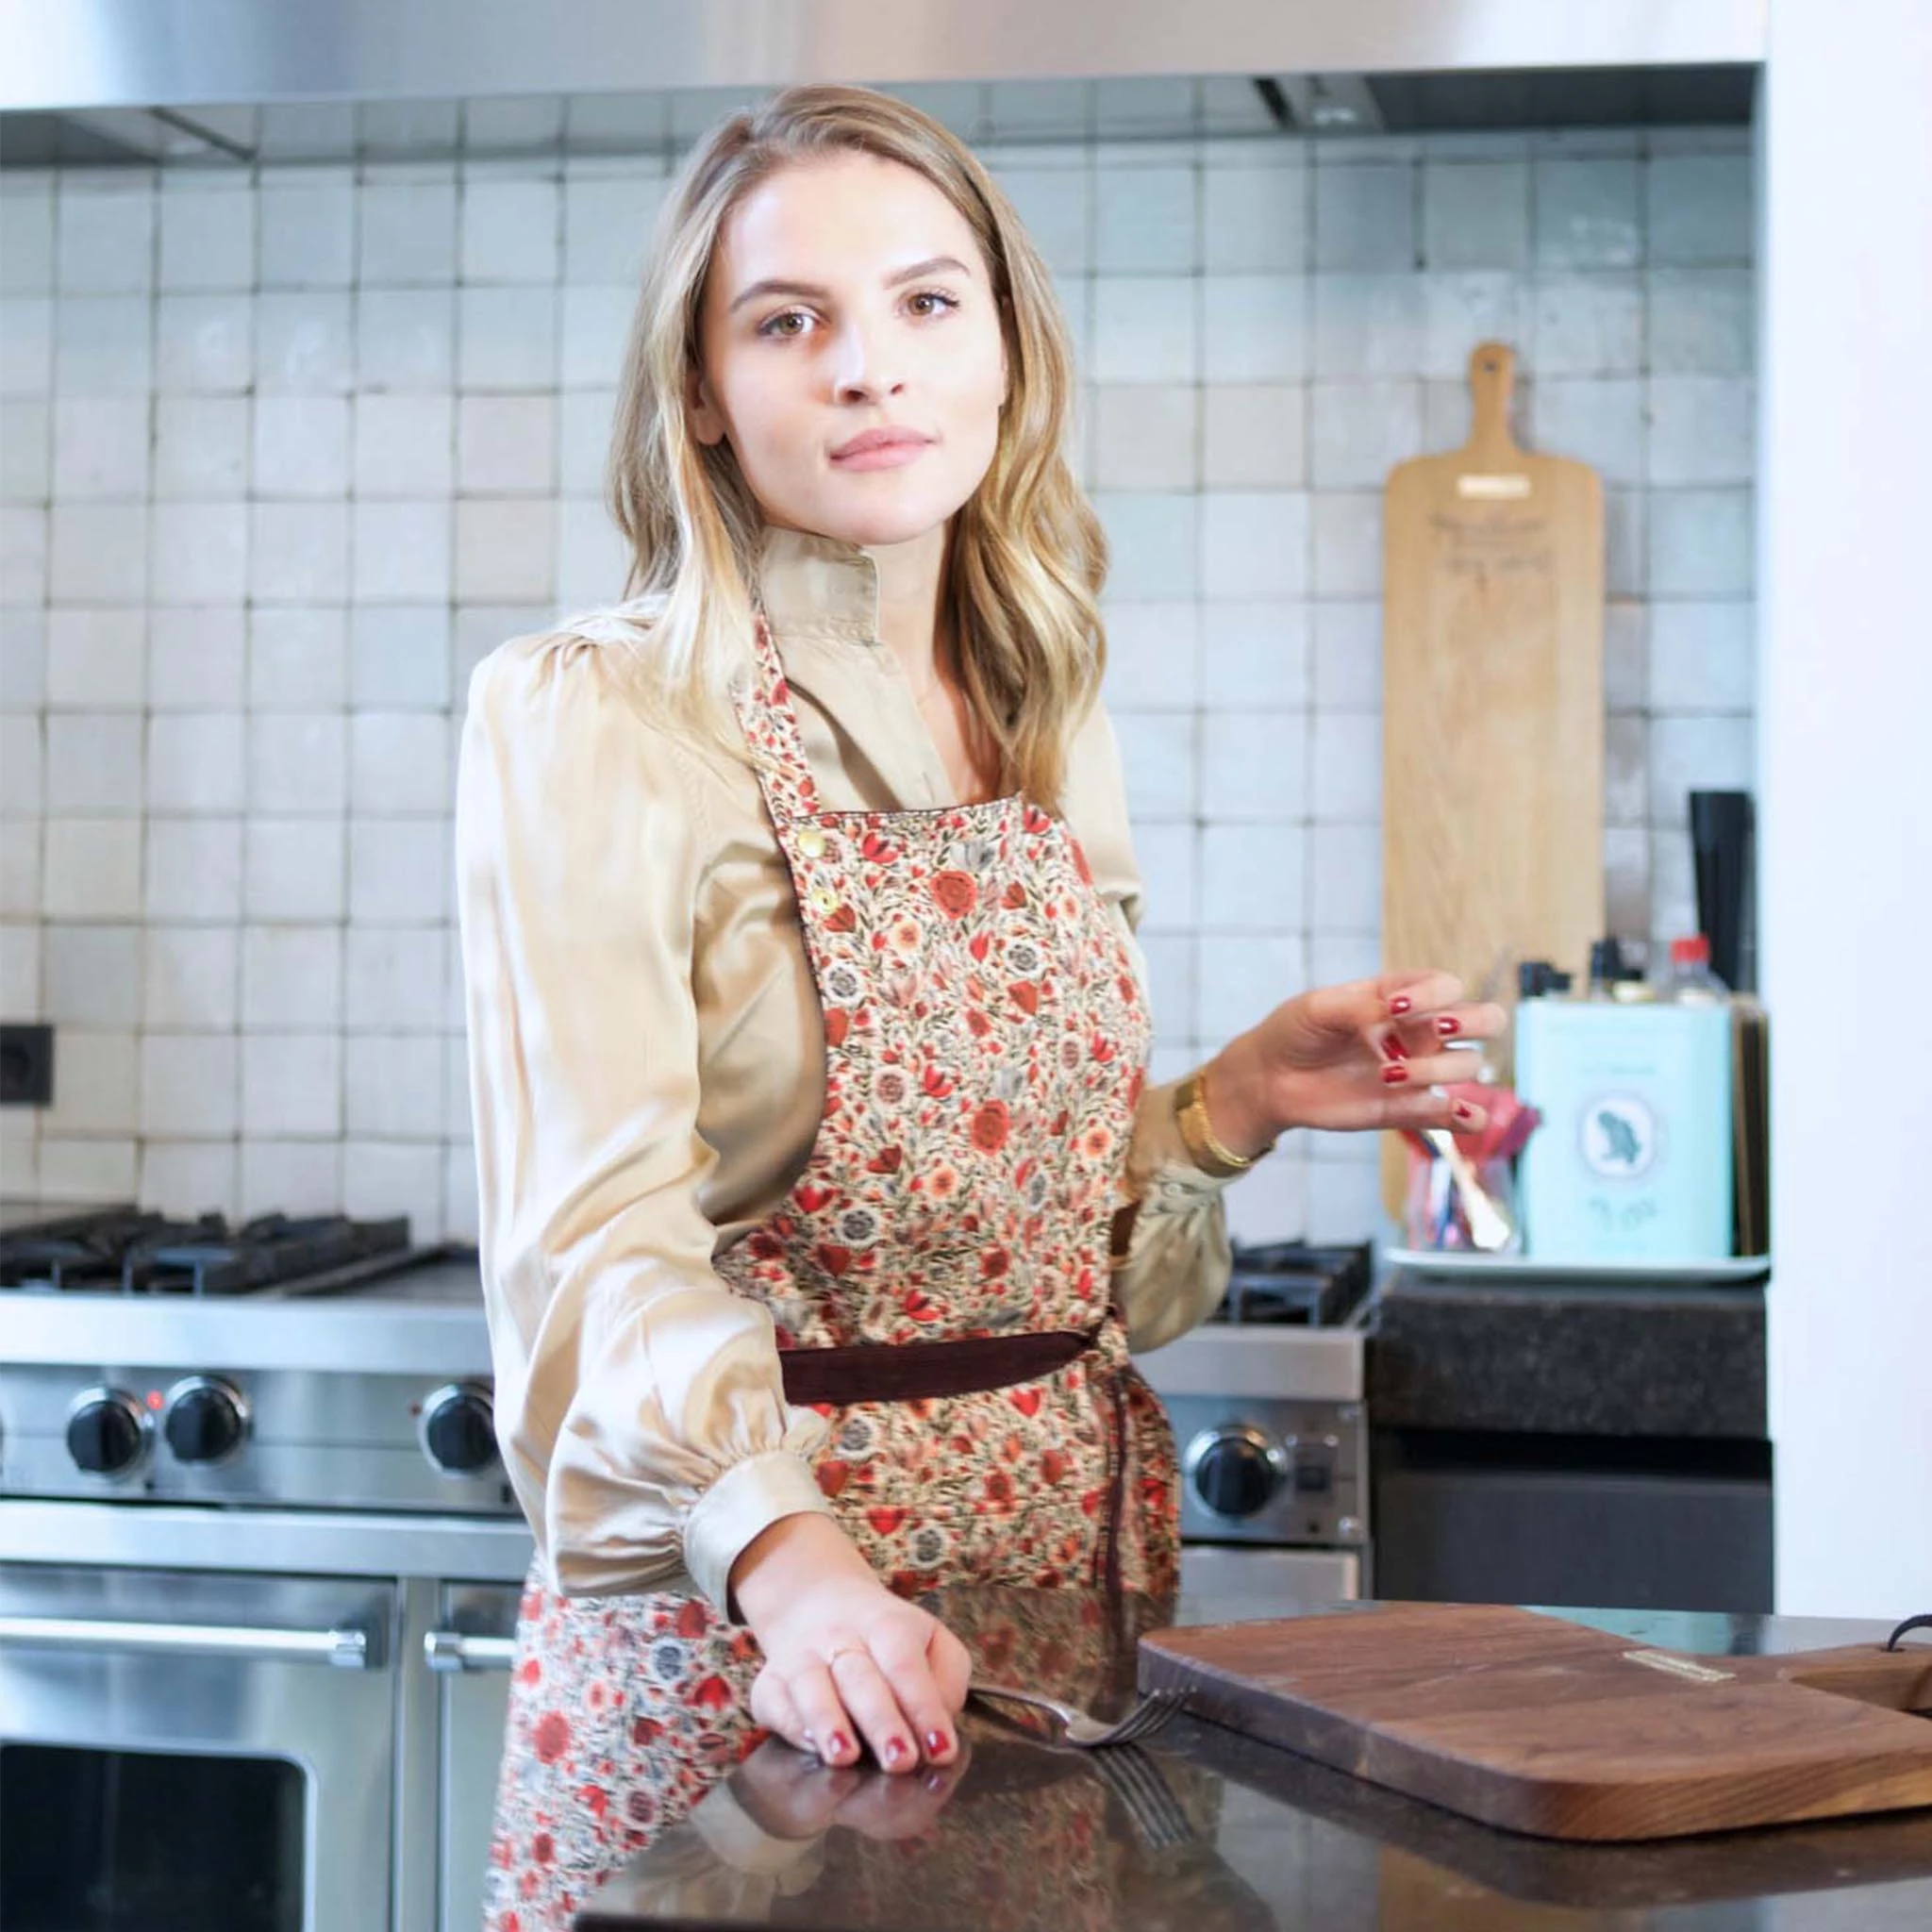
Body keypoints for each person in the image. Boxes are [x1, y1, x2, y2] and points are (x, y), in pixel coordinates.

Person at [455, 81, 1502, 1924]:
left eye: (928, 304)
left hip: (1061, 1636)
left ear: (1006, 354)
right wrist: (795, 1572)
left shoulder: (1036, 698)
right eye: (791, 322)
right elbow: (592, 1244)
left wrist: (1229, 1104)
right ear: (701, 386)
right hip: (756, 1660)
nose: (870, 368)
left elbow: (1069, 1275)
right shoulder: (596, 713)